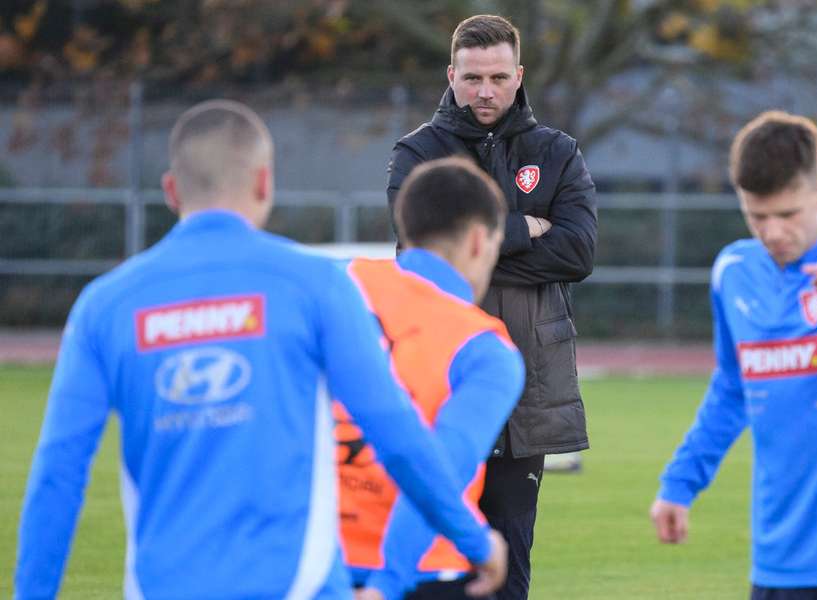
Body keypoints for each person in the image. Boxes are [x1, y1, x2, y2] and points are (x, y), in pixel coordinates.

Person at [14, 100, 507, 599]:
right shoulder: (315, 285)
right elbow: (397, 436)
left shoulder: (105, 306)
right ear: (264, 183)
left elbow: (58, 474)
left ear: (170, 190)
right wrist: (475, 541)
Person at [386, 15, 598, 598]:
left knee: (511, 552)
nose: (485, 91)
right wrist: (528, 228)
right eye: (473, 77)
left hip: (528, 382)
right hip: (440, 379)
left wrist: (478, 243)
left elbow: (577, 252)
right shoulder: (418, 152)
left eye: (499, 77)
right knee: (432, 549)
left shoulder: (556, 152)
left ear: (519, 76)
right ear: (451, 74)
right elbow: (417, 250)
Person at [650, 110, 817, 599]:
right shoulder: (734, 271)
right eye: (756, 216)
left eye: (787, 215)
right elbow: (731, 387)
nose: (772, 233)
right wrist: (680, 482)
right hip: (778, 559)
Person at [339, 157, 526, 600]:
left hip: (306, 562)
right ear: (481, 241)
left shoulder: (342, 285)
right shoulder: (485, 348)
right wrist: (389, 581)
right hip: (419, 573)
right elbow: (438, 469)